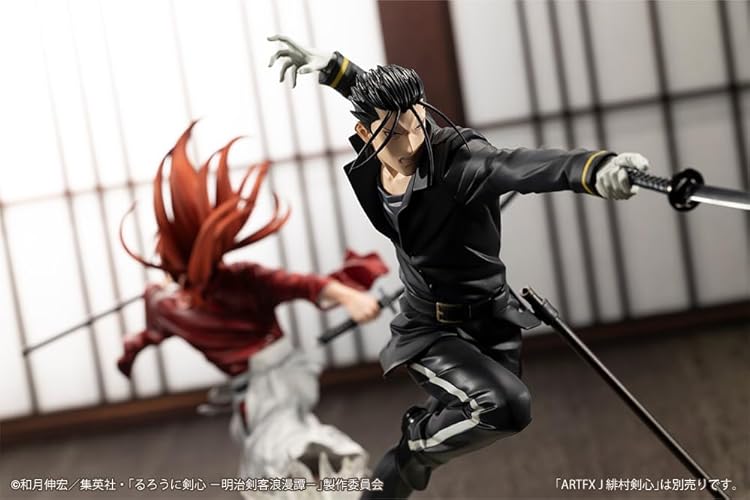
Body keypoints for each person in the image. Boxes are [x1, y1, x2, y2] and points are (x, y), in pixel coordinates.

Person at [269, 35, 649, 499]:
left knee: (485, 412)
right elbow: (374, 99)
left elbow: (520, 166)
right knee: (506, 407)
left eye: (417, 122)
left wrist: (595, 169)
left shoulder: (461, 162)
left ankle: (394, 473)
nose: (413, 140)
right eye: (394, 132)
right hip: (428, 329)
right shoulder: (374, 159)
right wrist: (335, 69)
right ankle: (413, 451)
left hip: (490, 320)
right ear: (365, 135)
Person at [118, 122, 388, 497]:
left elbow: (304, 285)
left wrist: (349, 297)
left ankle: (340, 477)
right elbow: (302, 285)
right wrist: (132, 350)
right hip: (262, 383)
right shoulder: (173, 301)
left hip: (273, 381)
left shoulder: (177, 299)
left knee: (278, 447)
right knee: (269, 454)